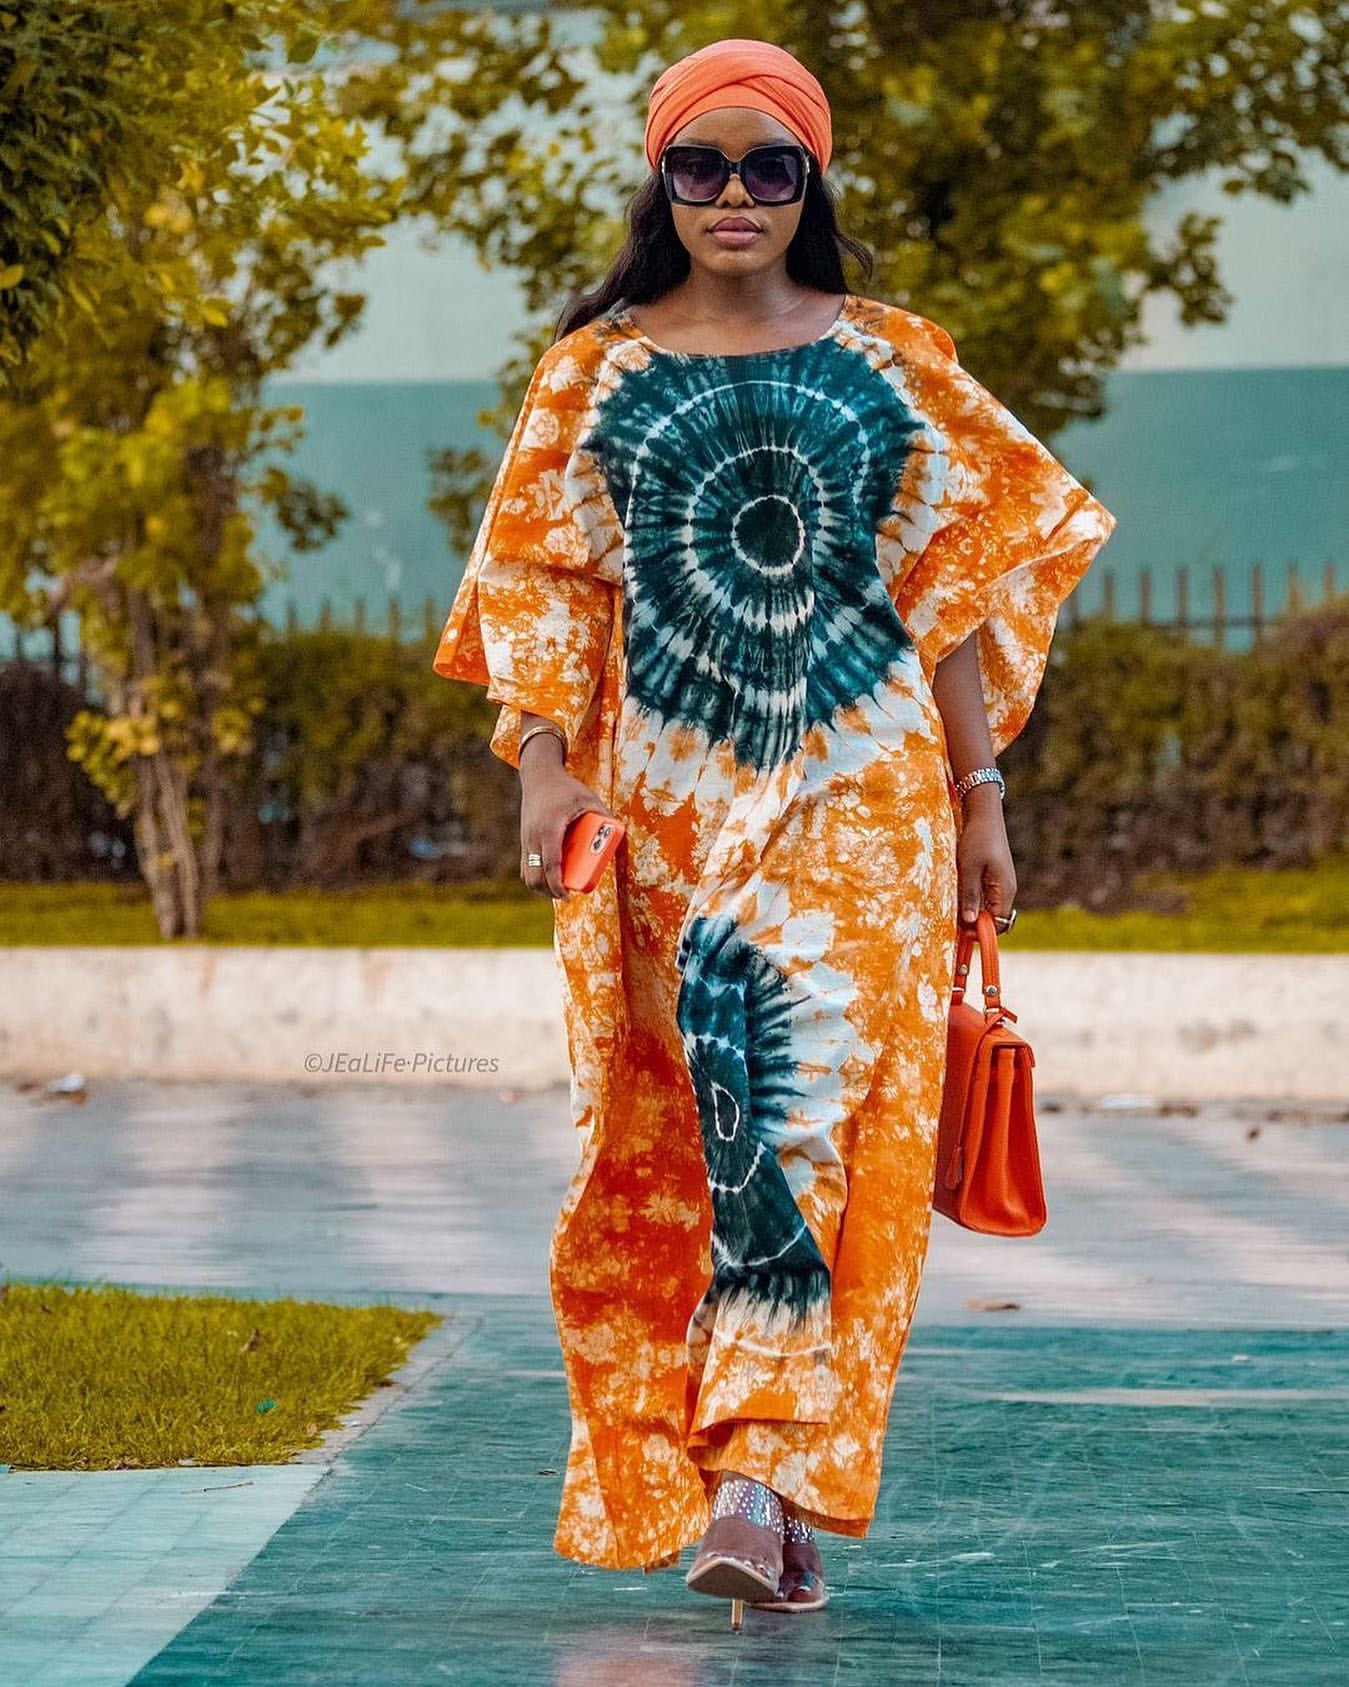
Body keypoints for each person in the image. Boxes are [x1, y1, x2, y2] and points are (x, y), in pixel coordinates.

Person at [432, 35, 1117, 1622]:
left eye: (768, 166)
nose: (732, 194)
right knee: (697, 1129)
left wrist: (980, 796)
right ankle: (772, 1486)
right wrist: (541, 766)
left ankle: (750, 1471)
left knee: (799, 1108)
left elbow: (952, 599)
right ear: (659, 182)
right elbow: (537, 596)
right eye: (700, 164)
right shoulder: (590, 376)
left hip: (864, 806)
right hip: (664, 816)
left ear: (810, 183)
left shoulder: (893, 361)